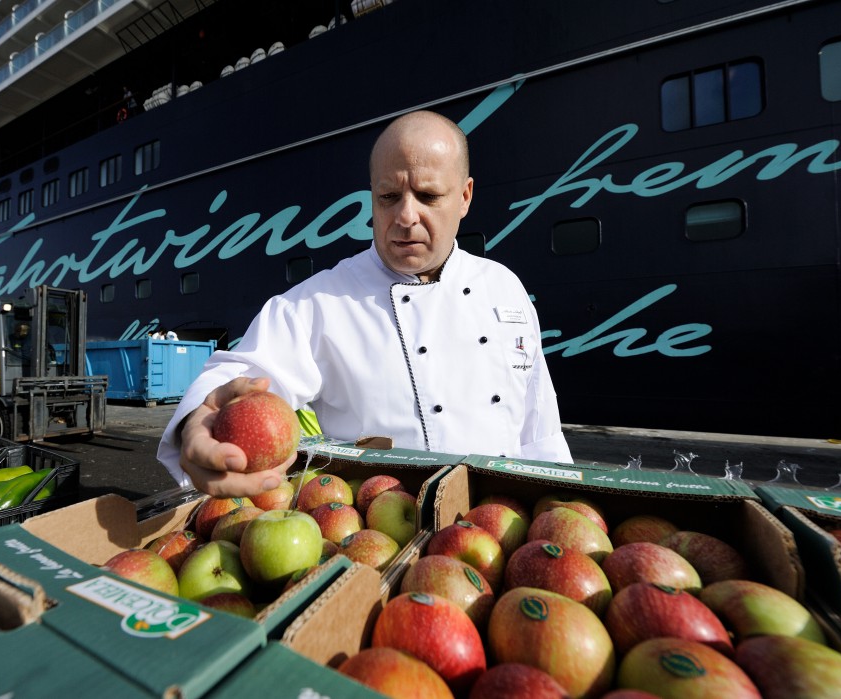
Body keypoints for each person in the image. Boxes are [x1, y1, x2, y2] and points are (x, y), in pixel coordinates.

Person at [157, 110, 572, 497]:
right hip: (374, 536)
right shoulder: (321, 302)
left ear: (465, 197)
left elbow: (539, 430)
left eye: (428, 196)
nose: (406, 216)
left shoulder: (504, 287)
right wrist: (198, 420)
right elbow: (241, 375)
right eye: (389, 197)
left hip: (503, 525)